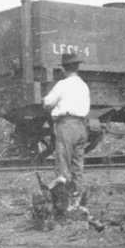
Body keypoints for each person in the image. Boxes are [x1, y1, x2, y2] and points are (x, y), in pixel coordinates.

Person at [43, 53, 90, 194]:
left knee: (63, 164)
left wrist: (45, 101)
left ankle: (64, 199)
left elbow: (48, 102)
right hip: (82, 127)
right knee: (77, 166)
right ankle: (77, 197)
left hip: (67, 126)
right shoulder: (83, 85)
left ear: (64, 69)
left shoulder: (62, 84)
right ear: (77, 68)